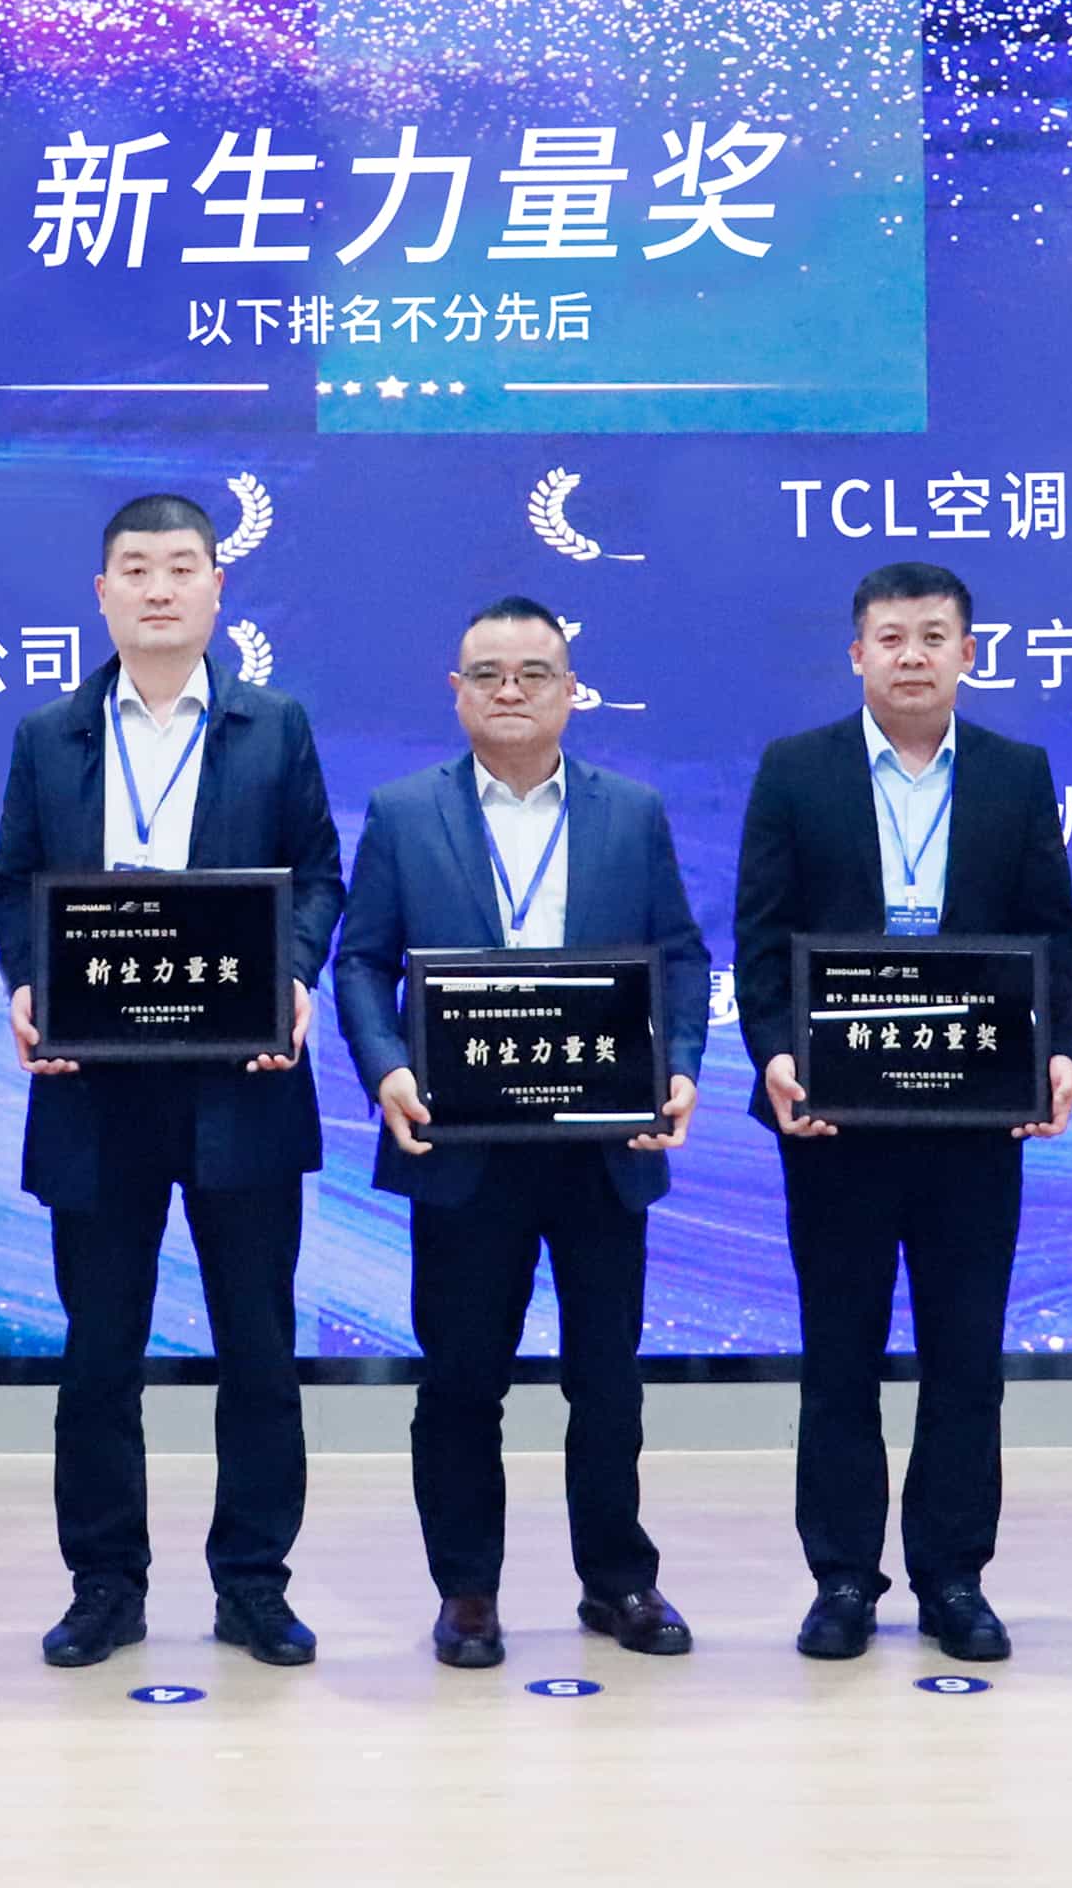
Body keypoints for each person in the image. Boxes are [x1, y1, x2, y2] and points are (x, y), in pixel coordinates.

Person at [0, 493, 345, 1669]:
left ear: (215, 589)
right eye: (133, 567)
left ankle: (252, 1582)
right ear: (100, 594)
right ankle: (105, 1583)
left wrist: (292, 974)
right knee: (99, 1352)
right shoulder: (49, 734)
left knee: (258, 1347)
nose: (156, 586)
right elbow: (11, 884)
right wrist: (29, 982)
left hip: (240, 1078)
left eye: (180, 565)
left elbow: (316, 878)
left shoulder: (272, 725)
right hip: (95, 1084)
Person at [334, 596, 710, 1671]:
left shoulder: (629, 812)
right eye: (488, 674)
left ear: (570, 692)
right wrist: (387, 1067)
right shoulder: (405, 812)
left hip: (602, 1145)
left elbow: (680, 956)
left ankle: (618, 1580)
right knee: (462, 1380)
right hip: (462, 1147)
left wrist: (679, 1066)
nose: (511, 691)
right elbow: (361, 959)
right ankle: (467, 1591)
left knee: (608, 1380)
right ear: (455, 692)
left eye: (533, 673)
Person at [730, 560, 1072, 1667]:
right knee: (839, 1354)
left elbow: (1052, 931)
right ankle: (842, 1576)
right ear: (857, 654)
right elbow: (760, 937)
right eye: (891, 637)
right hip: (836, 1121)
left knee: (965, 1355)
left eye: (934, 636)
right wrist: (776, 1055)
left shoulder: (1016, 773)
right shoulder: (797, 769)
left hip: (974, 1119)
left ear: (968, 653)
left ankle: (953, 1576)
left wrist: (1058, 1051)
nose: (913, 656)